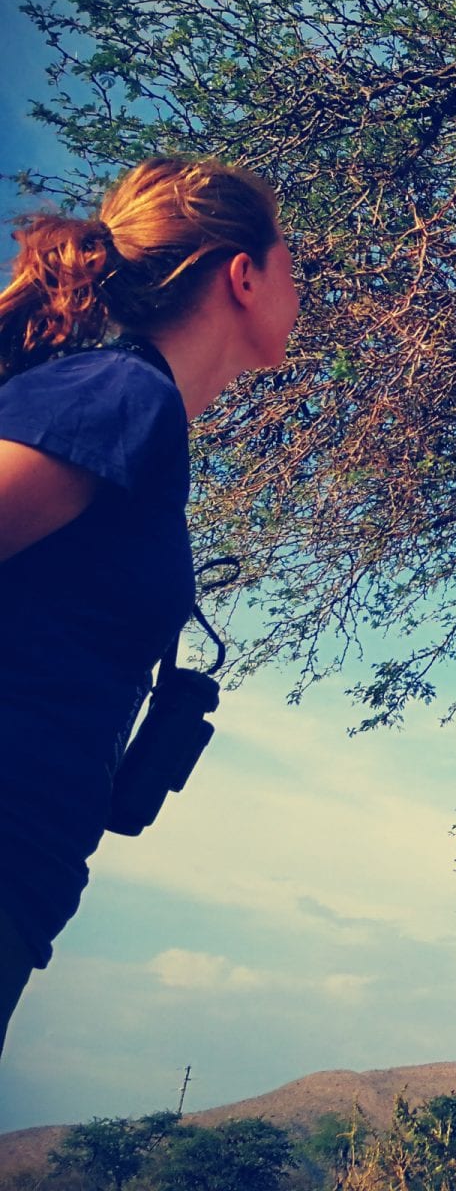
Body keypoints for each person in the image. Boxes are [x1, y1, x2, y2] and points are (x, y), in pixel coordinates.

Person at [0, 159, 299, 1057]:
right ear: (242, 275)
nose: (301, 287)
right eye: (293, 263)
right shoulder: (120, 395)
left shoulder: (129, 402)